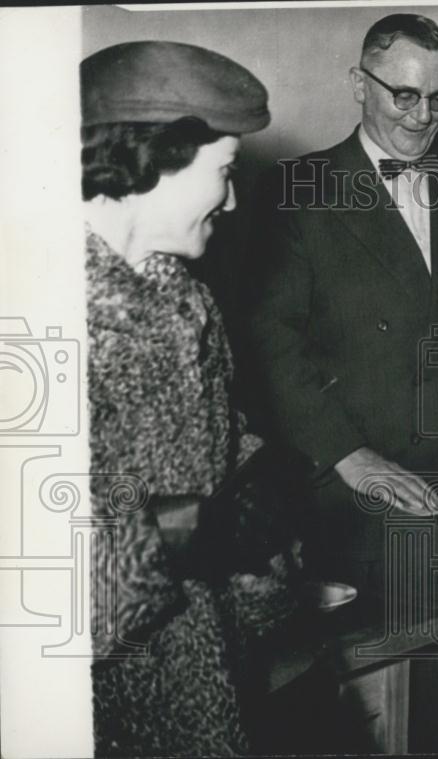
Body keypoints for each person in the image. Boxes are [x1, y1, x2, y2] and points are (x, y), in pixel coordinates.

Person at [246, 14, 438, 580]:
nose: (422, 118)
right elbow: (271, 346)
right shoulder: (292, 191)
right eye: (405, 96)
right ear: (359, 84)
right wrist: (351, 458)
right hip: (357, 487)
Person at [82, 41, 302, 755]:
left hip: (205, 676)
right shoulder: (37, 319)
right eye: (224, 173)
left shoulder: (185, 302)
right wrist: (181, 533)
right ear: (155, 160)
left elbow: (219, 455)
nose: (233, 200)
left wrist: (265, 485)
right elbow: (37, 597)